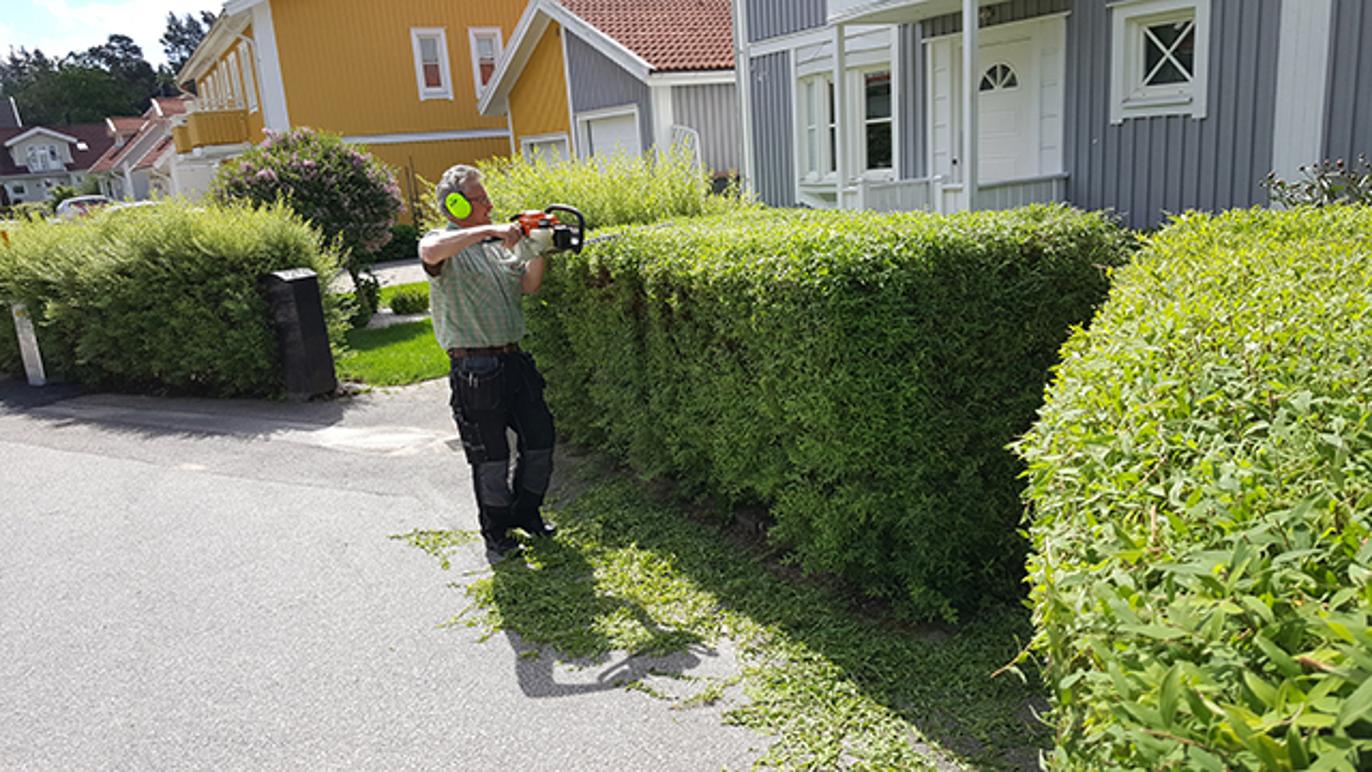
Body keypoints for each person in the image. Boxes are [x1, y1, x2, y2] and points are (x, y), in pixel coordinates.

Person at [419, 164, 557, 560]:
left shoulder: (497, 249)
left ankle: (527, 514)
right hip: (475, 369)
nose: (491, 204)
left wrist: (539, 247)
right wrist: (490, 230)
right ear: (457, 204)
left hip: (514, 361)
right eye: (481, 199)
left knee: (541, 440)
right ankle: (496, 536)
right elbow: (429, 254)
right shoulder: (440, 242)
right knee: (491, 458)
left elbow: (529, 284)